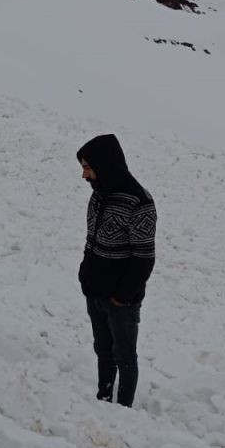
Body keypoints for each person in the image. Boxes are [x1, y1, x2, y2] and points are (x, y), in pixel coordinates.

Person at [77, 134, 156, 406]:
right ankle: (103, 401)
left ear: (105, 164)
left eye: (88, 167)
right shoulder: (98, 196)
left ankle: (123, 411)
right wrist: (86, 275)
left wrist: (122, 295)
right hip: (95, 292)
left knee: (125, 357)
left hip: (121, 300)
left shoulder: (139, 202)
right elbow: (92, 240)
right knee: (103, 351)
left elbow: (143, 259)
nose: (84, 175)